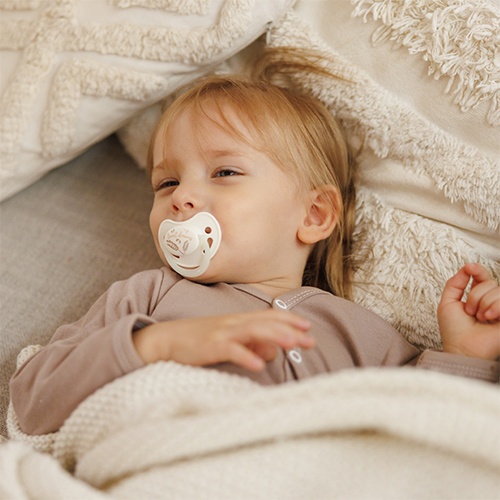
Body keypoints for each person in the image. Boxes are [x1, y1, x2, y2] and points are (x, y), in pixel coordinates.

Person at [10, 49, 500, 436]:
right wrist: (156, 344)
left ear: (314, 214)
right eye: (166, 182)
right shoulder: (148, 297)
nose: (181, 197)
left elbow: (426, 435)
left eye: (224, 172)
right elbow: (33, 402)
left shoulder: (358, 332)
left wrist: (464, 355)